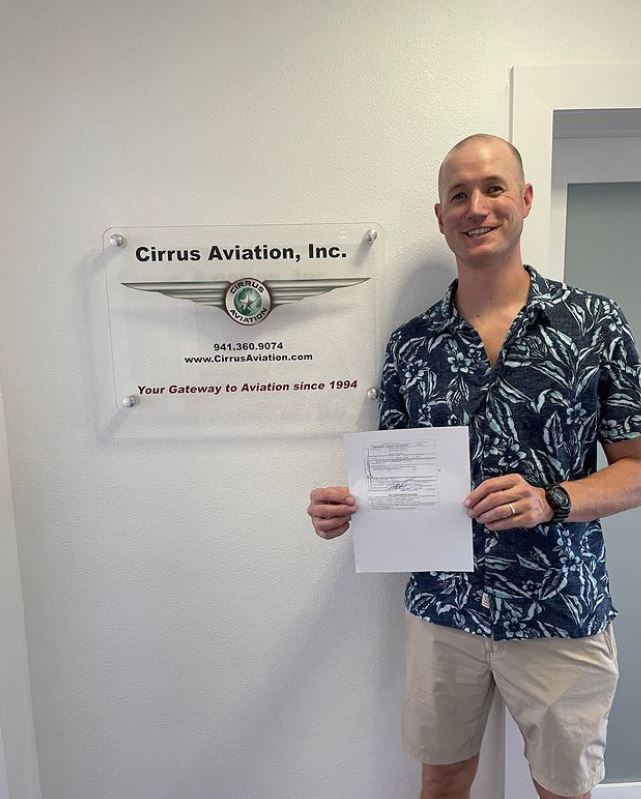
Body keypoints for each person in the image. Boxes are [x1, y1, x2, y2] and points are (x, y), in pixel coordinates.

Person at [308, 134, 641, 799]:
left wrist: (553, 498)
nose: (475, 206)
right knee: (441, 780)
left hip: (561, 609)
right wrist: (351, 509)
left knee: (563, 789)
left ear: (522, 200)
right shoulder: (411, 345)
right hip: (443, 612)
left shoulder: (592, 323)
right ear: (439, 217)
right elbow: (394, 476)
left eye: (492, 188)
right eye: (457, 194)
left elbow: (634, 466)